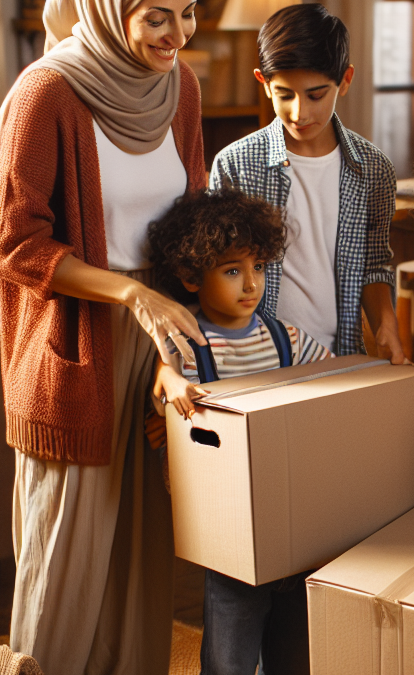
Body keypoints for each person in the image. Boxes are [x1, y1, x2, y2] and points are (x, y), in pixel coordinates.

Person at [0, 0, 207, 671]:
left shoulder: (182, 87)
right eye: (158, 17)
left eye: (189, 12)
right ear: (111, 12)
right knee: (65, 564)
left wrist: (184, 345)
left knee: (142, 548)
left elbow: (191, 214)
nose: (179, 34)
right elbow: (14, 243)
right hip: (76, 346)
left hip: (157, 346)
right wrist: (131, 292)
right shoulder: (47, 91)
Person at [146, 188, 331, 675]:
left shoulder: (285, 337)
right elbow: (163, 388)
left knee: (295, 648)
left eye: (259, 269)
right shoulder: (185, 346)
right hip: (230, 529)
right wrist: (167, 379)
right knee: (230, 652)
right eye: (232, 271)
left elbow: (339, 383)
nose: (251, 285)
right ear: (191, 277)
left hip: (296, 518)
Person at [209, 3, 405, 365]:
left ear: (344, 81)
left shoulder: (374, 169)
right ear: (263, 84)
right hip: (256, 358)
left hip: (341, 356)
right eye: (285, 95)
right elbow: (215, 271)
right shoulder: (235, 165)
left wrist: (387, 326)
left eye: (316, 95)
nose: (300, 113)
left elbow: (375, 264)